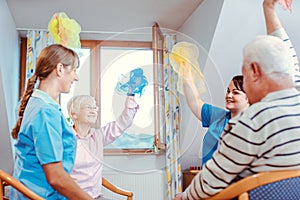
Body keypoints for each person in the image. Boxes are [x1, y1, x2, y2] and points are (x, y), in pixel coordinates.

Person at [174, 0, 300, 199]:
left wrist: (183, 196)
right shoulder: (296, 94)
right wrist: (268, 8)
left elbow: (208, 183)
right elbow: (284, 52)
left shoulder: (249, 125)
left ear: (255, 72)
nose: (230, 95)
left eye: (245, 77)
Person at [10, 44, 93, 200]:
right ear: (60, 69)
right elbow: (56, 177)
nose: (76, 77)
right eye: (74, 70)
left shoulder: (39, 104)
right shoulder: (45, 111)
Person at [67, 94, 138, 200]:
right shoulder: (65, 139)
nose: (93, 111)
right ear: (74, 114)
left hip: (96, 197)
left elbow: (122, 124)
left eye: (95, 108)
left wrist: (131, 95)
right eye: (88, 107)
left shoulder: (98, 136)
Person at [182, 69, 249, 165]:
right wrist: (186, 73)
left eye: (235, 92)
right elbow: (194, 102)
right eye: (228, 91)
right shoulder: (218, 116)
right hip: (208, 177)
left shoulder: (252, 125)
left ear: (248, 97)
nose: (229, 95)